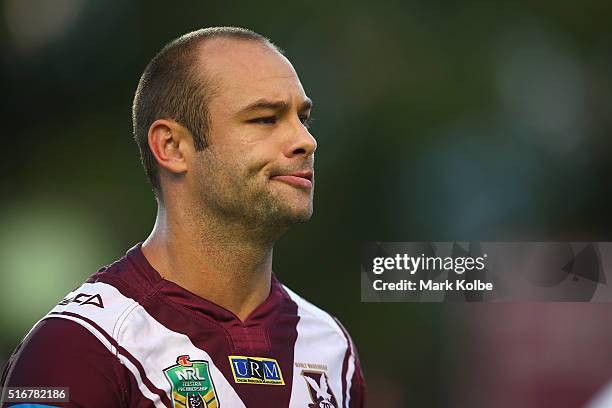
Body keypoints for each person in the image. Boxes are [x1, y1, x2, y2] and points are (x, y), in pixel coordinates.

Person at [0, 27, 366, 408]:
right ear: (172, 147)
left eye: (302, 118)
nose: (306, 140)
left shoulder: (331, 348)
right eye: (265, 119)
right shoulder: (79, 344)